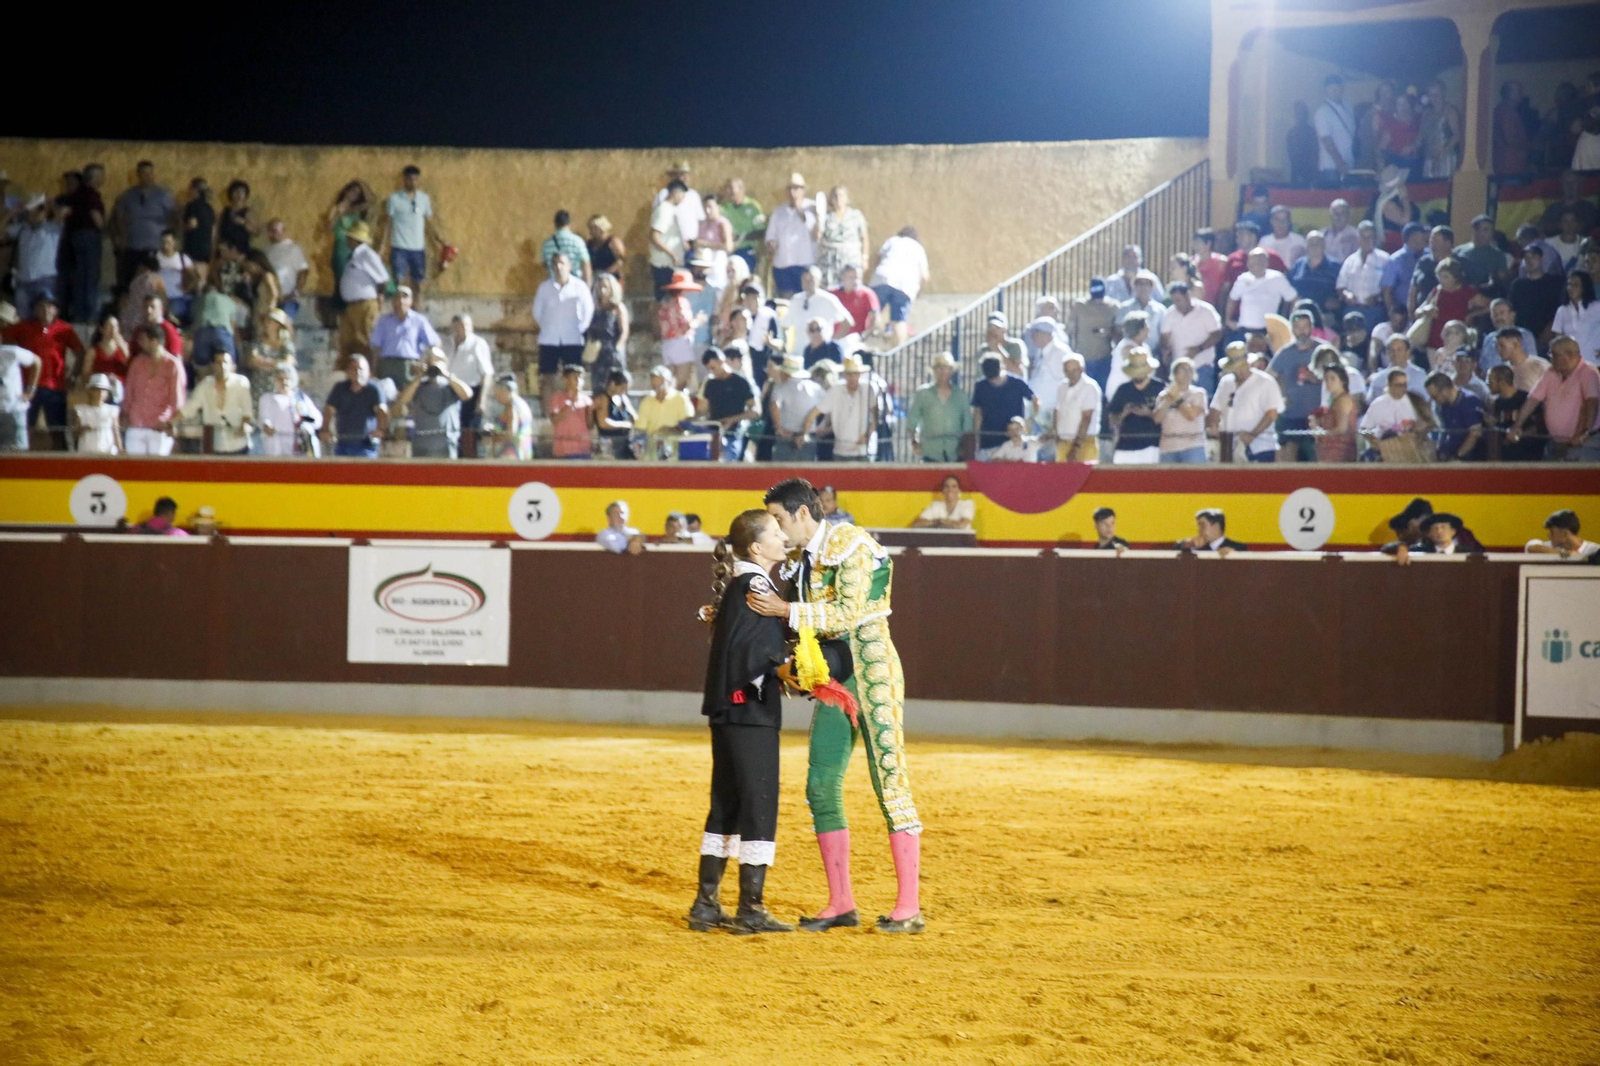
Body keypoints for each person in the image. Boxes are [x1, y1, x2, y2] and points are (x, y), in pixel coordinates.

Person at [748, 479, 924, 934]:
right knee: (821, 783)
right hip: (834, 678)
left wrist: (784, 611)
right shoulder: (802, 562)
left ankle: (909, 906)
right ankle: (841, 902)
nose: (780, 531)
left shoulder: (852, 543)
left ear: (803, 514)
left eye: (781, 520)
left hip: (873, 670)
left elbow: (848, 611)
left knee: (889, 780)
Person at [687, 509, 795, 935]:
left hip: (729, 711)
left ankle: (706, 904)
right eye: (774, 533)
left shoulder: (741, 584)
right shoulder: (755, 586)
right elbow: (758, 652)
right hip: (750, 711)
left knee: (727, 805)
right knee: (758, 804)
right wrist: (793, 669)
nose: (783, 537)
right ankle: (750, 908)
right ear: (756, 547)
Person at [1508, 335, 1600, 461]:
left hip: (1583, 443)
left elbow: (1592, 402)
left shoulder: (1588, 372)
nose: (1550, 357)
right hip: (1555, 443)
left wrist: (1585, 432)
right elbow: (1533, 399)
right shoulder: (1551, 372)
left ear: (1568, 356)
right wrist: (1517, 425)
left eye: (1553, 354)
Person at [378, 165, 445, 301]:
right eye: (409, 179)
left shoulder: (424, 199)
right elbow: (388, 223)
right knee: (399, 283)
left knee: (418, 284)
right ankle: (400, 314)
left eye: (415, 179)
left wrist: (439, 239)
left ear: (418, 180)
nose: (412, 182)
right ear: (404, 179)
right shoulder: (394, 198)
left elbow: (428, 222)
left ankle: (416, 313)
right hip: (399, 247)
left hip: (418, 248)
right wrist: (382, 245)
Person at [533, 252, 595, 397]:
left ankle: (574, 411)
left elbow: (588, 309)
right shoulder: (544, 288)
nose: (559, 267)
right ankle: (548, 415)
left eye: (562, 263)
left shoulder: (579, 286)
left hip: (572, 339)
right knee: (547, 378)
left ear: (569, 266)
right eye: (555, 264)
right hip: (549, 339)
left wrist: (581, 328)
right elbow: (537, 312)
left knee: (574, 377)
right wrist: (548, 326)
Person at [1268, 310, 1326, 462]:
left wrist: (1318, 379)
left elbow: (1340, 377)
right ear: (1292, 329)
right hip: (1291, 415)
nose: (1302, 331)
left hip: (1318, 416)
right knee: (1288, 456)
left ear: (1312, 327)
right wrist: (1280, 396)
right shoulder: (1285, 353)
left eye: (1305, 326)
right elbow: (1269, 377)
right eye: (1298, 327)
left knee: (1316, 457)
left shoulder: (1323, 351)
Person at [1211, 343, 1283, 462]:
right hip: (1229, 446)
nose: (1238, 371)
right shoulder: (1226, 383)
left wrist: (1252, 435)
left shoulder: (1265, 382)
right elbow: (1215, 408)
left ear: (1248, 363)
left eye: (1241, 366)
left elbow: (1271, 413)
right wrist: (1213, 426)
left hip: (1260, 447)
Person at [110, 161, 176, 290]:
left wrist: (170, 239)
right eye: (144, 173)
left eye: (150, 173)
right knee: (130, 282)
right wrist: (119, 238)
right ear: (138, 175)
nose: (148, 176)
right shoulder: (127, 196)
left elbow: (174, 216)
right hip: (132, 246)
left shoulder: (164, 195)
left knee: (153, 283)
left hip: (155, 247)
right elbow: (118, 218)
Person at [398, 347, 472, 459]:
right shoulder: (418, 385)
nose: (433, 363)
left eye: (437, 359)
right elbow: (402, 400)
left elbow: (467, 394)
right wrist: (419, 376)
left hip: (446, 443)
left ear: (444, 362)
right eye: (429, 360)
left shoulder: (452, 384)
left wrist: (445, 373)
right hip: (421, 444)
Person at [121, 326, 185, 455]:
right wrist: (125, 415)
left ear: (154, 341)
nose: (140, 343)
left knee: (157, 472)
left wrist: (172, 423)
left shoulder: (172, 365)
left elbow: (176, 399)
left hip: (160, 427)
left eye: (143, 340)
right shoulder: (137, 363)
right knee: (134, 470)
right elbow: (129, 392)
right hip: (136, 424)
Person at [804, 356, 881, 461]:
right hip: (841, 450)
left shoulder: (868, 389)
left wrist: (868, 434)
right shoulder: (836, 390)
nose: (852, 377)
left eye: (855, 373)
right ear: (843, 374)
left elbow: (876, 415)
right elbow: (814, 412)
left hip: (864, 450)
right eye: (849, 373)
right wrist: (805, 433)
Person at [369, 285, 441, 392]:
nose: (401, 301)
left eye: (405, 297)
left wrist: (424, 363)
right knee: (387, 398)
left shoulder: (419, 321)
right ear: (393, 301)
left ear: (411, 301)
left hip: (410, 366)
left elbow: (435, 343)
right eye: (397, 297)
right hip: (387, 365)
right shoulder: (384, 321)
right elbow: (376, 348)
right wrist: (373, 371)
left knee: (408, 399)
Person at [869, 225, 929, 348]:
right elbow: (925, 276)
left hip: (882, 278)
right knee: (899, 320)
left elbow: (877, 259)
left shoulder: (892, 241)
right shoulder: (918, 248)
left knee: (873, 312)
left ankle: (869, 342)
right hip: (906, 284)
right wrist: (918, 291)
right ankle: (897, 349)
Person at [337, 221, 388, 363]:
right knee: (352, 343)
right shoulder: (355, 256)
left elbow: (382, 279)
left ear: (355, 239)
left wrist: (379, 298)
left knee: (367, 340)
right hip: (352, 305)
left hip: (365, 304)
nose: (347, 240)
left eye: (349, 237)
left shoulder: (367, 254)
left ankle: (371, 371)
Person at [62, 162, 106, 323]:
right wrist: (104, 229)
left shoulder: (76, 194)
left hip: (75, 237)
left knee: (81, 276)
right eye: (102, 175)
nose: (104, 179)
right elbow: (96, 215)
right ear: (94, 177)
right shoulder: (91, 194)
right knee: (91, 275)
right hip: (89, 236)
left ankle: (79, 313)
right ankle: (89, 314)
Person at [970, 353, 1036, 460]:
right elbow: (978, 413)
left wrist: (1029, 422)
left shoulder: (1018, 383)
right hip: (988, 441)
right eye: (990, 379)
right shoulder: (981, 386)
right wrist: (976, 437)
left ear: (1002, 367)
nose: (993, 381)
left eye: (996, 377)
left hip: (1013, 442)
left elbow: (1035, 401)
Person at [321, 354, 388, 458]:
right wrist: (325, 429)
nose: (358, 372)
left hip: (366, 446)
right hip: (343, 444)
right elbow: (329, 410)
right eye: (353, 369)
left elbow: (382, 411)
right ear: (347, 372)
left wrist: (381, 429)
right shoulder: (340, 388)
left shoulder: (374, 389)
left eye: (361, 369)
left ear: (368, 371)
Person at [697, 347, 758, 460]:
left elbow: (756, 411)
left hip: (733, 434)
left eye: (713, 368)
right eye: (708, 369)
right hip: (713, 434)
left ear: (721, 361)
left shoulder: (741, 382)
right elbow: (702, 410)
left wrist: (732, 419)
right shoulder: (710, 384)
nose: (711, 372)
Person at [766, 173, 820, 298]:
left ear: (803, 190)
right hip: (783, 264)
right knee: (787, 300)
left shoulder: (812, 208)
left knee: (805, 298)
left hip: (804, 263)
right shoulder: (779, 212)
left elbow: (815, 234)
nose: (792, 192)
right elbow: (770, 236)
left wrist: (800, 211)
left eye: (796, 188)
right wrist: (771, 243)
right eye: (789, 188)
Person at [9, 195, 64, 318]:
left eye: (40, 210)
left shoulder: (52, 228)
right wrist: (15, 211)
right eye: (34, 210)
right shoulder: (22, 229)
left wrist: (51, 206)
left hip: (45, 280)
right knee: (23, 318)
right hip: (24, 280)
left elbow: (61, 215)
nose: (37, 213)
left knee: (45, 318)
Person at [444, 314, 493, 449]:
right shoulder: (447, 343)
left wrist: (482, 400)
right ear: (454, 327)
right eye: (461, 325)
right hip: (450, 392)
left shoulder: (478, 344)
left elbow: (486, 373)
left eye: (467, 325)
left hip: (471, 393)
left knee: (469, 434)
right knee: (451, 430)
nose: (465, 329)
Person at [1107, 347, 1164, 464]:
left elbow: (1166, 419)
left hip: (1152, 445)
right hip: (1125, 446)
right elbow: (1112, 420)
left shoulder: (1159, 388)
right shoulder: (1123, 390)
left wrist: (1148, 413)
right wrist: (1124, 413)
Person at [1226, 249, 1297, 337]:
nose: (1256, 265)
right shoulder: (1242, 279)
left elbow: (1295, 299)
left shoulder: (1277, 278)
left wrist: (1291, 321)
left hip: (1269, 331)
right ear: (1248, 264)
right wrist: (1228, 320)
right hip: (1244, 329)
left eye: (1260, 261)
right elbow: (1232, 298)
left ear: (1266, 263)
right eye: (1253, 262)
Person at [769, 353, 825, 462]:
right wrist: (822, 426)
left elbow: (774, 405)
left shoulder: (780, 387)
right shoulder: (815, 388)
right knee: (806, 473)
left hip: (786, 435)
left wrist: (778, 428)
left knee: (782, 472)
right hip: (808, 435)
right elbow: (828, 406)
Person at [258, 365, 322, 457]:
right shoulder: (268, 398)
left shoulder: (302, 398)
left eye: (288, 378)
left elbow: (316, 420)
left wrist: (303, 419)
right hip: (279, 445)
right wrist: (267, 426)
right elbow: (264, 418)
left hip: (303, 446)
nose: (284, 382)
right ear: (274, 380)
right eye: (280, 379)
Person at [1154, 357, 1208, 463]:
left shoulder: (1199, 393)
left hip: (1193, 446)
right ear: (1174, 374)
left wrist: (1178, 399)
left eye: (1189, 370)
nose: (1186, 373)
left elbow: (1192, 415)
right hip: (1168, 447)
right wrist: (1168, 400)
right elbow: (1157, 419)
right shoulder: (1163, 396)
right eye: (1182, 370)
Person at [1509, 246, 1566, 345]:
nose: (1529, 260)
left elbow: (1560, 311)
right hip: (1522, 338)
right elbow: (1512, 310)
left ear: (1541, 259)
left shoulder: (1555, 283)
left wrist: (1548, 332)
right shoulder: (1517, 285)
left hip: (1548, 338)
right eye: (1526, 258)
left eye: (1533, 257)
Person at [636, 365, 695, 459]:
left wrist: (668, 430)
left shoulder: (680, 399)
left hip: (676, 450)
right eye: (654, 386)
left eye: (660, 385)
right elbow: (640, 429)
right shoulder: (647, 402)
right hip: (653, 450)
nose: (658, 389)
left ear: (669, 382)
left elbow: (687, 424)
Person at [1487, 364, 1544, 461]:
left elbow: (1540, 425)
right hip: (1507, 457)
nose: (1488, 384)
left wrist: (1519, 435)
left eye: (1491, 382)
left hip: (1529, 456)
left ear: (1502, 383)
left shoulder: (1525, 399)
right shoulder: (1497, 403)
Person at [1426, 372, 1486, 461]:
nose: (1434, 401)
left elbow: (1475, 434)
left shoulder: (1469, 401)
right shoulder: (1442, 407)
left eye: (1434, 396)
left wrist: (1457, 456)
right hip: (1445, 458)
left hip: (1466, 461)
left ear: (1445, 390)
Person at [584, 273, 629, 389]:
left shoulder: (618, 307)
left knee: (615, 387)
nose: (602, 290)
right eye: (600, 287)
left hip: (613, 351)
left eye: (605, 287)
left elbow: (624, 331)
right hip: (597, 353)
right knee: (598, 387)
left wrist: (618, 349)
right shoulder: (594, 308)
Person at [817, 186, 867, 290]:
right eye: (835, 196)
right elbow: (817, 237)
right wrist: (818, 218)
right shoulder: (827, 217)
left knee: (850, 289)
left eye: (841, 195)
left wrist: (865, 258)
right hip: (830, 262)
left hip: (850, 259)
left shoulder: (856, 215)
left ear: (847, 198)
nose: (838, 198)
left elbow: (864, 237)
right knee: (830, 290)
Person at [264, 218, 309, 320]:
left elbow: (303, 271)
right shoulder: (266, 251)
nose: (272, 234)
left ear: (283, 231)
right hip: (270, 299)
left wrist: (295, 292)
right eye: (270, 231)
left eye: (275, 231)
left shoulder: (292, 248)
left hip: (288, 298)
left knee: (282, 323)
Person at [649, 181, 688, 295]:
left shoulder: (669, 210)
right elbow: (654, 236)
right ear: (675, 193)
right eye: (682, 195)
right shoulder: (664, 210)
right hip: (664, 264)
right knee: (663, 299)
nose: (683, 199)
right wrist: (671, 253)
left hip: (669, 263)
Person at [0, 340, 41, 451]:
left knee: (20, 449)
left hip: (14, 407)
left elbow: (37, 361)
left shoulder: (12, 352)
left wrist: (31, 390)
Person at [1552, 271, 1599, 365]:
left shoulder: (1597, 307)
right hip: (1571, 365)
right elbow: (1558, 338)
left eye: (1576, 285)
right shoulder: (1562, 311)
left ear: (1584, 287)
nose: (1571, 288)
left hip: (1595, 362)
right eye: (1569, 284)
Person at [1315, 361, 1359, 462]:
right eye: (1326, 379)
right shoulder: (1335, 400)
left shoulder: (1343, 400)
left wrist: (1322, 434)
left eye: (1332, 378)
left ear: (1342, 380)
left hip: (1339, 452)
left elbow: (1341, 428)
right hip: (1328, 449)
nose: (1328, 382)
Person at [1314, 75, 1356, 182]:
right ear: (1325, 90)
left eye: (1337, 88)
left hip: (1349, 165)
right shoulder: (1322, 112)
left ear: (1342, 89)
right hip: (1332, 168)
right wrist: (1339, 162)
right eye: (1331, 88)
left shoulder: (1348, 107)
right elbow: (1326, 140)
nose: (1334, 91)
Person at [483, 372, 533, 460]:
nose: (497, 398)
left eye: (498, 394)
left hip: (510, 455)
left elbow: (511, 433)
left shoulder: (511, 407)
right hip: (524, 453)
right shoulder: (522, 404)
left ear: (505, 390)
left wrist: (492, 437)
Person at [720, 178, 765, 272]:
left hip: (746, 249)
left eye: (732, 188)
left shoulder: (752, 207)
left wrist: (741, 236)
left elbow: (760, 231)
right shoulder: (723, 207)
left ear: (741, 190)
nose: (729, 191)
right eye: (728, 188)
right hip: (727, 251)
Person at [70, 373, 120, 455]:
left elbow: (116, 431)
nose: (100, 393)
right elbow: (75, 433)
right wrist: (83, 429)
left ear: (107, 393)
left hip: (107, 449)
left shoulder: (112, 410)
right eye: (97, 390)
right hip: (87, 448)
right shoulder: (81, 410)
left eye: (103, 390)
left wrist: (120, 448)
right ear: (91, 391)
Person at [540, 210, 591, 283]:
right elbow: (586, 264)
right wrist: (587, 286)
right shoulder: (577, 241)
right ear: (569, 223)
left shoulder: (547, 244)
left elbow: (545, 265)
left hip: (554, 283)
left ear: (555, 224)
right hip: (575, 282)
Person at [595, 369, 636, 460]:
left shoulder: (623, 398)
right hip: (609, 445)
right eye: (622, 388)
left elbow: (634, 417)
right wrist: (624, 425)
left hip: (625, 443)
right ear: (613, 384)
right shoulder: (603, 399)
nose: (624, 391)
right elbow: (603, 423)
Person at [1526, 510, 1598, 559]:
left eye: (1552, 532)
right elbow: (1531, 547)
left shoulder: (1595, 550)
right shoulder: (1550, 548)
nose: (1548, 536)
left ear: (1564, 534)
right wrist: (1565, 554)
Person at [1183, 509, 1247, 555]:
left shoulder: (1238, 548)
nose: (1199, 530)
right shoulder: (1197, 548)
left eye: (1202, 525)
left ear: (1216, 526)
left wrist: (1235, 556)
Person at [585, 215, 625, 279]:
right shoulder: (589, 244)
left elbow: (620, 261)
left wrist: (606, 273)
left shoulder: (613, 242)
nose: (590, 231)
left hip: (611, 278)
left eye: (593, 228)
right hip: (594, 278)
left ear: (601, 229)